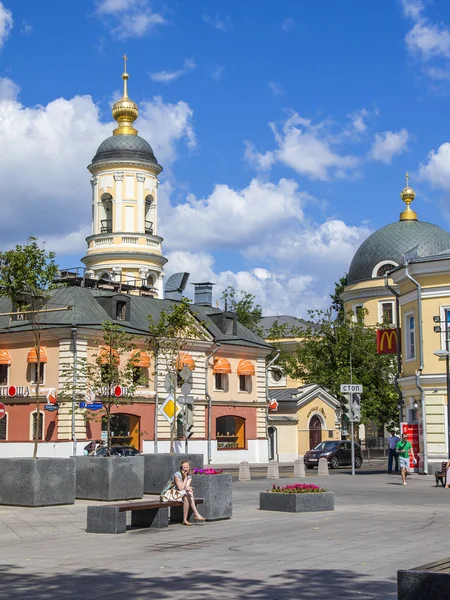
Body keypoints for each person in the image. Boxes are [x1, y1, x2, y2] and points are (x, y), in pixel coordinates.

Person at [160, 460, 206, 526]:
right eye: (184, 467)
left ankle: (189, 517)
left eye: (187, 467)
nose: (186, 469)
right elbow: (181, 488)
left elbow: (186, 487)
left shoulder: (189, 476)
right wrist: (185, 478)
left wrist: (188, 487)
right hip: (169, 493)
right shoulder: (177, 475)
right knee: (186, 495)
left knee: (189, 493)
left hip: (178, 493)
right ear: (181, 468)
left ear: (189, 467)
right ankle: (191, 516)